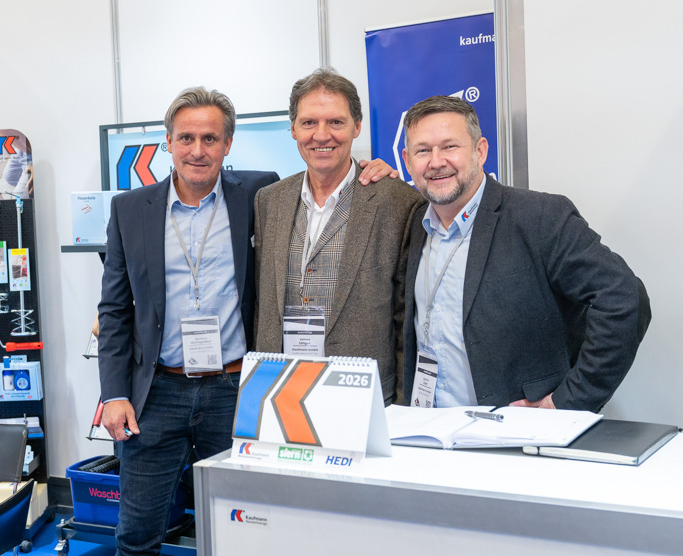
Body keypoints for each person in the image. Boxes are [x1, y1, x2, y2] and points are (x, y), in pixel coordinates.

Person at [97, 86, 396, 555]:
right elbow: (115, 310)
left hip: (236, 392)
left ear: (228, 144)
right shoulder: (130, 209)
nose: (198, 150)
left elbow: (325, 175)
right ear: (168, 142)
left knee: (247, 528)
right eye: (187, 138)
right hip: (156, 393)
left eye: (211, 139)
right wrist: (115, 394)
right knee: (137, 533)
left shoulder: (260, 194)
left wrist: (373, 170)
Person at [400, 95, 650, 412]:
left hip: (516, 433)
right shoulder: (414, 224)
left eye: (450, 146)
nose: (436, 162)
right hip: (430, 427)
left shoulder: (539, 217)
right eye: (423, 151)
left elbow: (625, 298)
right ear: (408, 161)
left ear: (480, 151)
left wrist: (567, 402)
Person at [254, 69, 425, 405]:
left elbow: (406, 319)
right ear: (293, 129)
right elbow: (261, 304)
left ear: (356, 126)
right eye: (308, 122)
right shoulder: (269, 200)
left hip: (362, 397)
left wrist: (403, 406)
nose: (321, 135)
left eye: (335, 122)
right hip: (281, 393)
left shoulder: (398, 202)